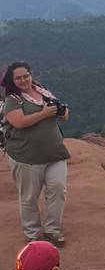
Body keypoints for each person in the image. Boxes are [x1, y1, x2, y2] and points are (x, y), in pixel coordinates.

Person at [1, 62, 71, 246]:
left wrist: (62, 112)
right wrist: (45, 113)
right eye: (18, 78)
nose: (23, 80)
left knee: (58, 189)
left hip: (55, 152)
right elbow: (20, 122)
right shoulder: (12, 100)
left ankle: (52, 230)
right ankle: (32, 234)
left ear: (31, 75)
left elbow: (62, 115)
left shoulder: (43, 91)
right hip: (27, 157)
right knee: (29, 196)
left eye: (26, 76)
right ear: (12, 80)